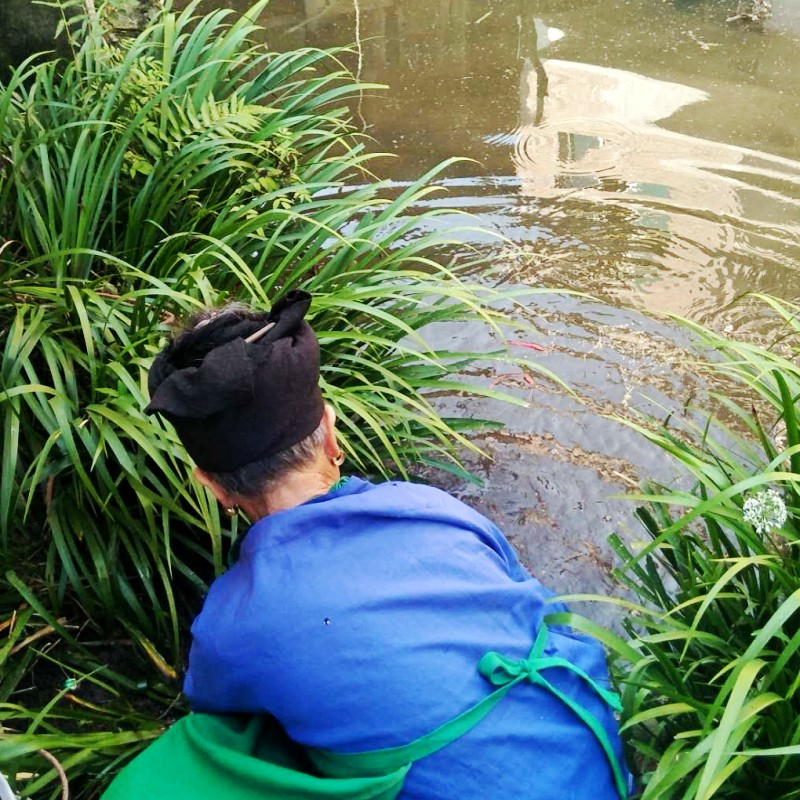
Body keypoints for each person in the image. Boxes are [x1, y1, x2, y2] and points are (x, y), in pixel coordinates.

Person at [104, 290, 630, 800]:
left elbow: (214, 707)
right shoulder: (435, 508)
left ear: (213, 486)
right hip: (596, 751)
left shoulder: (230, 622)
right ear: (331, 436)